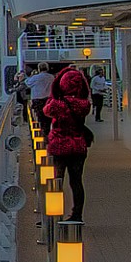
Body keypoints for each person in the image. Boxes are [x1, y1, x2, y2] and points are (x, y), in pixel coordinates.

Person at [43, 65, 94, 219]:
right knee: (76, 181)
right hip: (78, 146)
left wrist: (54, 95)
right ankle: (77, 214)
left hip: (59, 145)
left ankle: (54, 215)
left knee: (57, 180)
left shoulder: (57, 105)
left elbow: (46, 111)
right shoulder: (84, 105)